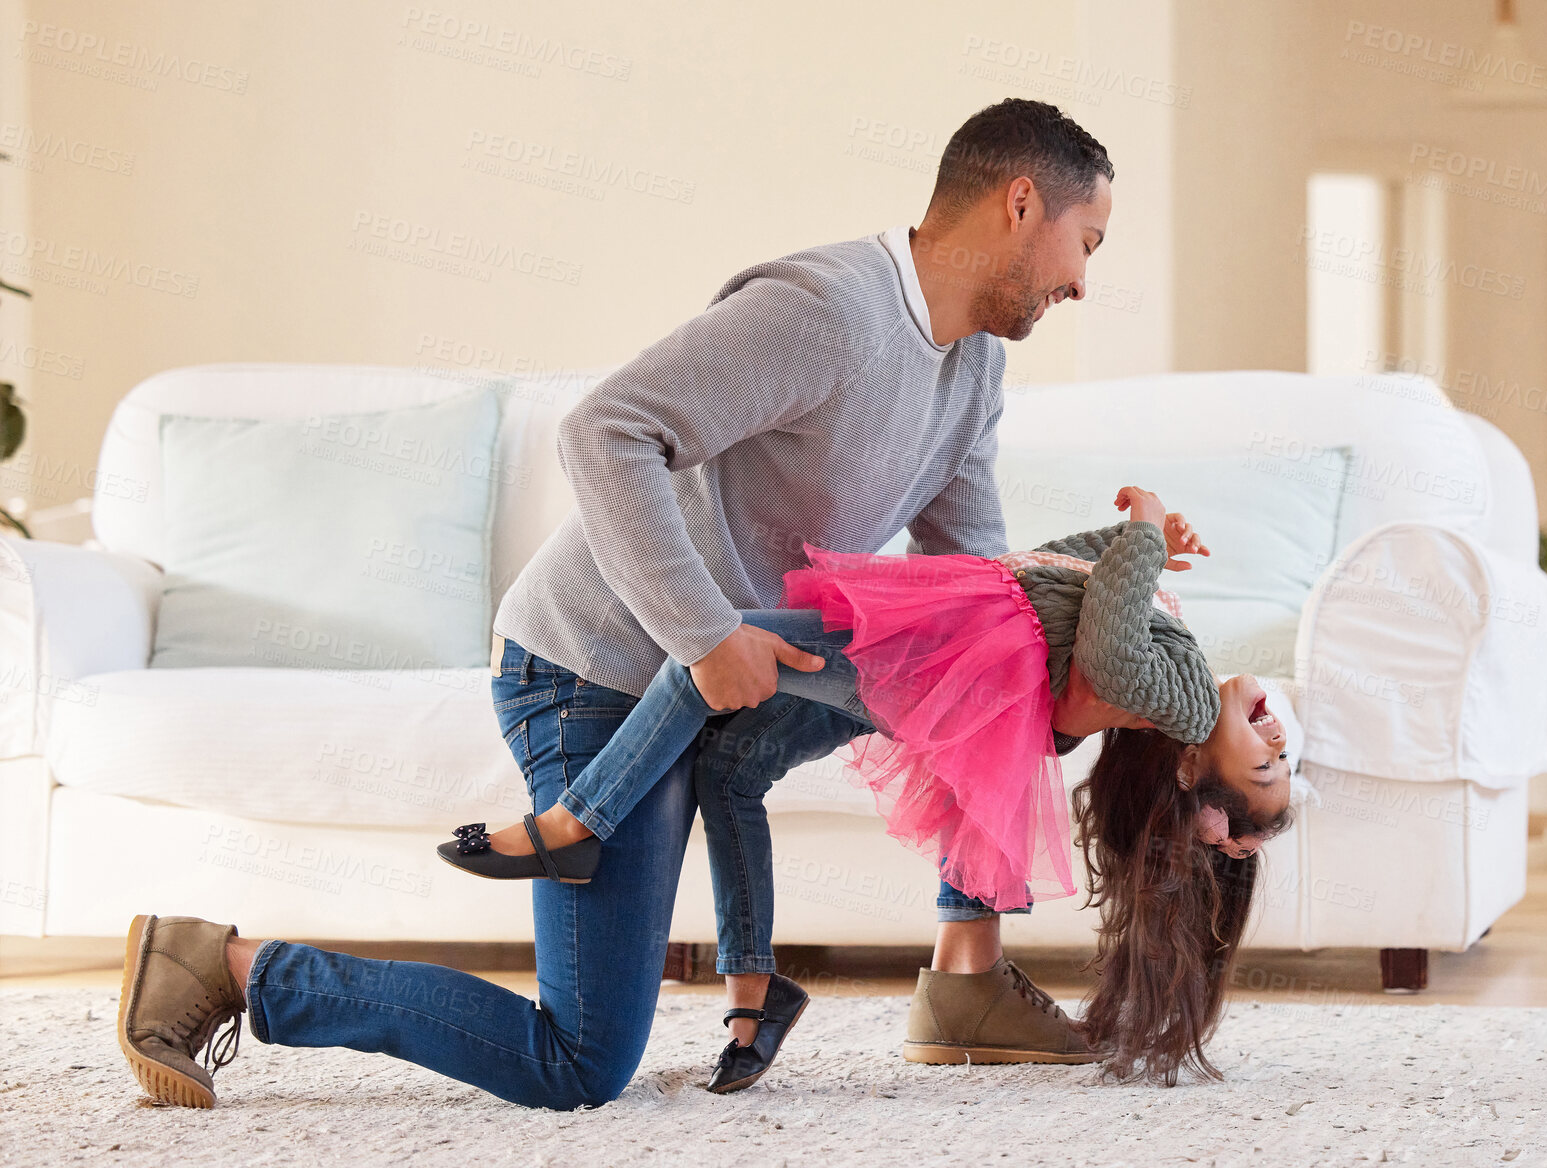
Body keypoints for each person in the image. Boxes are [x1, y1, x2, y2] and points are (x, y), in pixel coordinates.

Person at [113, 97, 1118, 1111]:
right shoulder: (828, 311)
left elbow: (966, 582)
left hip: (703, 688)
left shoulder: (974, 367)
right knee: (578, 1061)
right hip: (589, 672)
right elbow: (606, 429)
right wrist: (705, 630)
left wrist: (1086, 637)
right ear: (1020, 204)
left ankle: (961, 979)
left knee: (950, 676)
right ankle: (221, 967)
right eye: (1085, 243)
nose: (1082, 281)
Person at [439, 486, 1293, 1089]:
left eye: (1263, 762)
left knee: (705, 654)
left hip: (928, 658)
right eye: (1282, 753)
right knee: (731, 768)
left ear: (1192, 770)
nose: (1274, 736)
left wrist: (1142, 531)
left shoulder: (1178, 700)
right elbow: (1049, 576)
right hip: (944, 643)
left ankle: (576, 822)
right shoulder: (1176, 682)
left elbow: (1104, 646)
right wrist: (1121, 548)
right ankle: (751, 995)